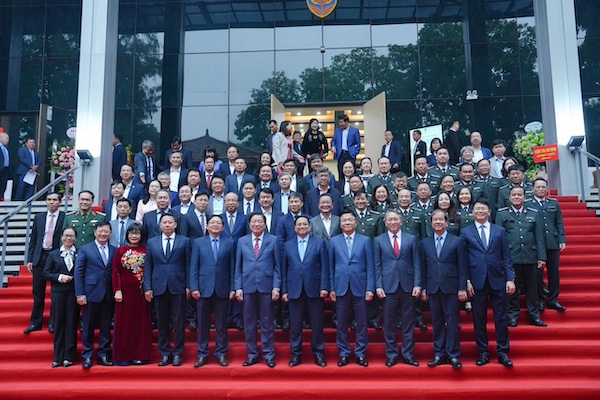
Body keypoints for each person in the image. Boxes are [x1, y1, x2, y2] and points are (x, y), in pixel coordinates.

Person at [460, 199, 516, 367]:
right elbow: (462, 260)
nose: (480, 211)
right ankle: (483, 352)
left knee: (501, 317)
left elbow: (506, 256)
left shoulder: (499, 231)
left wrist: (510, 279)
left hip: (497, 279)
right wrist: (466, 281)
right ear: (473, 212)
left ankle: (502, 352)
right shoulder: (465, 232)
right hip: (476, 281)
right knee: (479, 318)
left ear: (489, 212)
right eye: (477, 209)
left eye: (483, 208)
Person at [420, 210, 468, 369]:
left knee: (452, 323)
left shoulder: (457, 241)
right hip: (433, 288)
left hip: (452, 288)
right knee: (437, 322)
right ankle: (439, 353)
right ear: (431, 223)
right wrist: (423, 288)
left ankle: (453, 354)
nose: (438, 222)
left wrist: (462, 288)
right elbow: (423, 268)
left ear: (446, 222)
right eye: (435, 219)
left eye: (441, 219)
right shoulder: (425, 243)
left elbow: (462, 266)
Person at [374, 210, 421, 367]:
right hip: (388, 286)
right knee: (389, 323)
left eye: (395, 219)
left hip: (408, 286)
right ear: (385, 223)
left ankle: (408, 354)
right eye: (390, 220)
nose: (393, 222)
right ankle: (392, 354)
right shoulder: (378, 240)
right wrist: (378, 286)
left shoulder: (411, 239)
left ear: (401, 222)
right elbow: (377, 266)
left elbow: (416, 263)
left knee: (408, 323)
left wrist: (417, 284)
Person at [234, 212, 281, 368]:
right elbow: (238, 267)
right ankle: (252, 354)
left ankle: (269, 354)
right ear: (249, 225)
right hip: (247, 286)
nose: (256, 224)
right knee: (249, 323)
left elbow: (277, 266)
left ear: (265, 224)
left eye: (260, 221)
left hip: (267, 286)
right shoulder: (242, 241)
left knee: (267, 322)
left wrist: (276, 286)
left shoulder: (273, 240)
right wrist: (238, 287)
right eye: (253, 222)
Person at [144, 213, 191, 367]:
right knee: (162, 323)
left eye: (170, 222)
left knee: (178, 323)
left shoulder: (184, 241)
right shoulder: (152, 242)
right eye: (164, 222)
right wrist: (148, 287)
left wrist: (188, 286)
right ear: (160, 225)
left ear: (175, 225)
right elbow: (148, 266)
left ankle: (178, 353)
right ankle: (164, 353)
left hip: (178, 285)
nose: (167, 225)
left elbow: (188, 265)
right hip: (159, 286)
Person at [496, 186, 547, 327]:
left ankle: (534, 316)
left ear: (525, 197)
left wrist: (542, 257)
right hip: (511, 257)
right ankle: (512, 316)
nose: (517, 197)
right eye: (514, 195)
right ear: (509, 197)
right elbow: (498, 238)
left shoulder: (533, 213)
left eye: (519, 195)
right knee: (512, 289)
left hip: (530, 255)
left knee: (532, 288)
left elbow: (539, 237)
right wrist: (500, 258)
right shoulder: (502, 214)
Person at [282, 216, 329, 367]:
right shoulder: (287, 245)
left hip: (314, 288)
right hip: (294, 289)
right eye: (299, 225)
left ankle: (319, 353)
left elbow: (324, 266)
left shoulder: (319, 243)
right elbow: (284, 269)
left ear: (309, 227)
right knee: (295, 326)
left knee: (317, 324)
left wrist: (324, 287)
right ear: (294, 228)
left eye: (304, 224)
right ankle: (296, 354)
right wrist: (284, 290)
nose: (302, 227)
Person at [329, 211, 374, 367]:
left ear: (355, 223)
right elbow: (330, 267)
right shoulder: (334, 241)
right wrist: (331, 288)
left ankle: (360, 353)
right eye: (344, 220)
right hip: (341, 286)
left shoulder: (365, 240)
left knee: (361, 322)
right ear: (340, 224)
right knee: (341, 323)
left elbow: (370, 266)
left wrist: (370, 288)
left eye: (350, 220)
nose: (347, 223)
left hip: (360, 286)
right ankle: (344, 353)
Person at [190, 215, 235, 368]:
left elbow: (232, 268)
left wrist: (232, 288)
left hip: (223, 288)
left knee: (221, 325)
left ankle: (221, 354)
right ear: (207, 226)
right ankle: (202, 354)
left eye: (218, 223)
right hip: (203, 289)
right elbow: (194, 267)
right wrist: (194, 287)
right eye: (212, 223)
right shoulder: (198, 243)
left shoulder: (229, 243)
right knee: (203, 325)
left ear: (223, 227)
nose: (215, 225)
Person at [74, 221, 116, 369]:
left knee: (106, 326)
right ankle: (87, 355)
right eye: (100, 231)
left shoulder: (115, 250)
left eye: (106, 232)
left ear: (110, 234)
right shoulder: (85, 249)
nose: (103, 234)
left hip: (108, 293)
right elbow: (78, 273)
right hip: (90, 292)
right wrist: (80, 293)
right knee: (88, 326)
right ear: (95, 232)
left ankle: (103, 354)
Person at [24, 192, 65, 334]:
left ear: (59, 202)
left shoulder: (65, 217)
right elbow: (33, 239)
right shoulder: (39, 217)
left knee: (56, 292)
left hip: (56, 256)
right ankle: (35, 322)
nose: (51, 202)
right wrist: (30, 259)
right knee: (38, 291)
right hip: (40, 256)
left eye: (54, 200)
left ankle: (54, 323)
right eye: (49, 200)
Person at [111, 223, 152, 365]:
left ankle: (141, 355)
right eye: (131, 233)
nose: (134, 236)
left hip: (141, 292)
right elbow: (115, 271)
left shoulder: (147, 250)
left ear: (142, 235)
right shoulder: (121, 250)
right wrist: (117, 290)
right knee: (124, 324)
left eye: (137, 233)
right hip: (125, 293)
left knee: (141, 324)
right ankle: (123, 356)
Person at [43, 226, 79, 368]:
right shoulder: (54, 254)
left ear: (75, 238)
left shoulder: (80, 253)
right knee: (59, 323)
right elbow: (46, 273)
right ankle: (58, 357)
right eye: (66, 235)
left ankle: (69, 356)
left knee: (72, 323)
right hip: (58, 292)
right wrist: (59, 277)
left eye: (71, 236)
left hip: (73, 292)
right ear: (61, 237)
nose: (68, 238)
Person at [530, 178, 567, 312]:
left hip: (552, 242)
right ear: (533, 189)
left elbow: (559, 223)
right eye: (538, 187)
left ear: (547, 189)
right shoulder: (528, 204)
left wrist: (562, 239)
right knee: (537, 274)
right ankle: (539, 299)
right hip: (535, 244)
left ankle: (553, 299)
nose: (541, 189)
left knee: (554, 272)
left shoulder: (553, 203)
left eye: (543, 187)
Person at [331, 114, 361, 179]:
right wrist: (333, 147)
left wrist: (355, 152)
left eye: (341, 122)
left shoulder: (354, 130)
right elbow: (333, 141)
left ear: (346, 122)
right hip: (341, 154)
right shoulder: (337, 131)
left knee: (351, 172)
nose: (340, 124)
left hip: (350, 154)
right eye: (339, 122)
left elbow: (358, 143)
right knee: (341, 172)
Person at [0, 129, 11, 200]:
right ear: (0, 138)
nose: (7, 140)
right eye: (6, 138)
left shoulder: (6, 148)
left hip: (5, 170)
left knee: (3, 186)